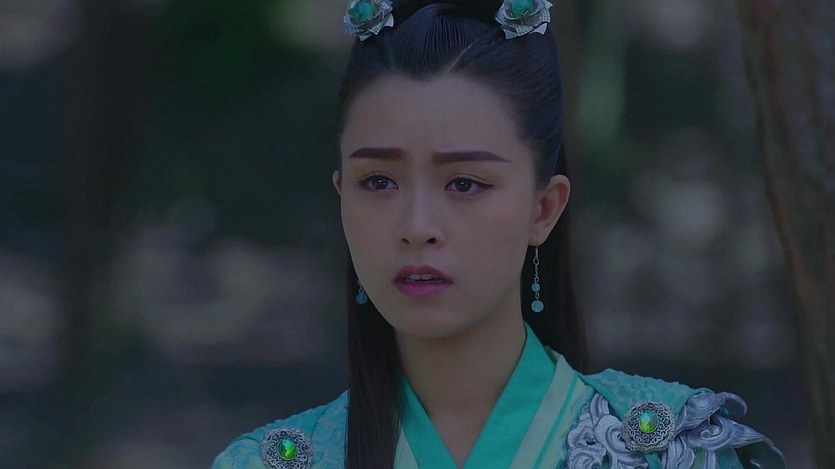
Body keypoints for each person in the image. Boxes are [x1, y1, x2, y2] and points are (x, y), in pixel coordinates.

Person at [211, 0, 786, 467]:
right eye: (379, 181)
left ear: (544, 208)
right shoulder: (270, 463)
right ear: (343, 198)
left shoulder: (675, 452)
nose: (417, 228)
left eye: (464, 183)